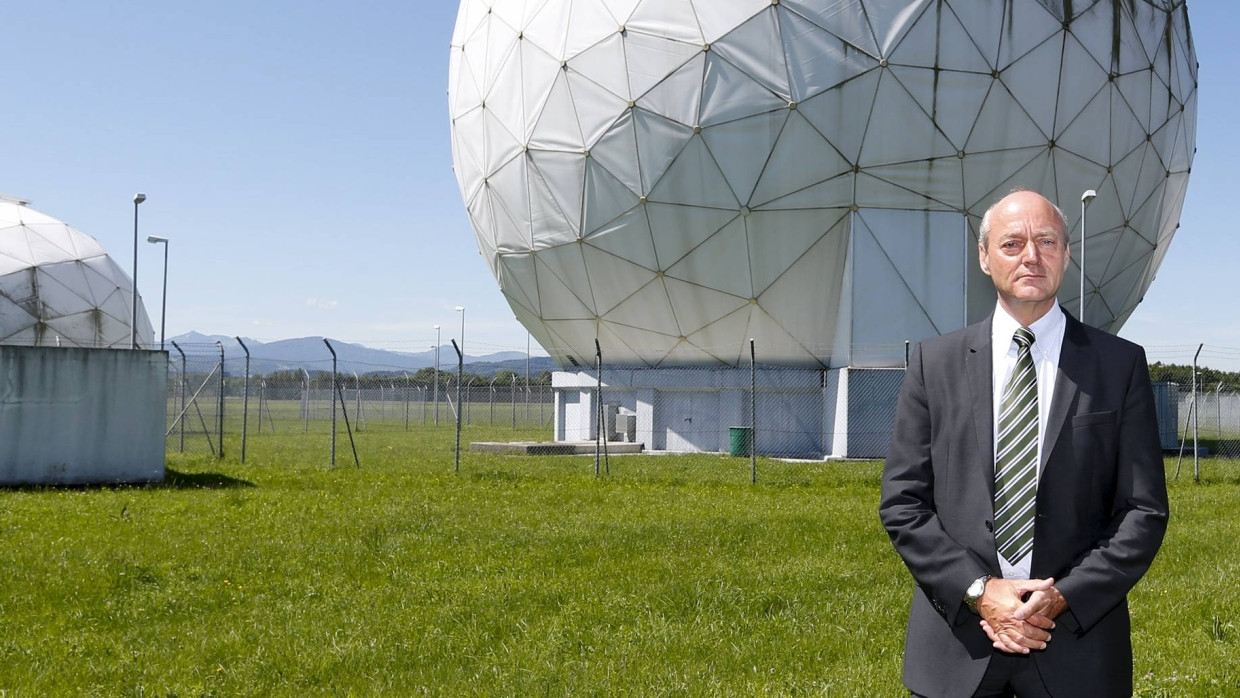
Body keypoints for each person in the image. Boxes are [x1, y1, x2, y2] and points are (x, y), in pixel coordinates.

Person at [878, 189, 1169, 697]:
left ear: (1066, 254)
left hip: (1078, 654)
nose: (1031, 255)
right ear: (984, 257)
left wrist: (1063, 598)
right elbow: (903, 504)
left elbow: (1142, 511)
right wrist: (979, 591)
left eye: (1046, 240)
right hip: (957, 651)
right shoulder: (934, 364)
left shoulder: (1119, 366)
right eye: (1012, 243)